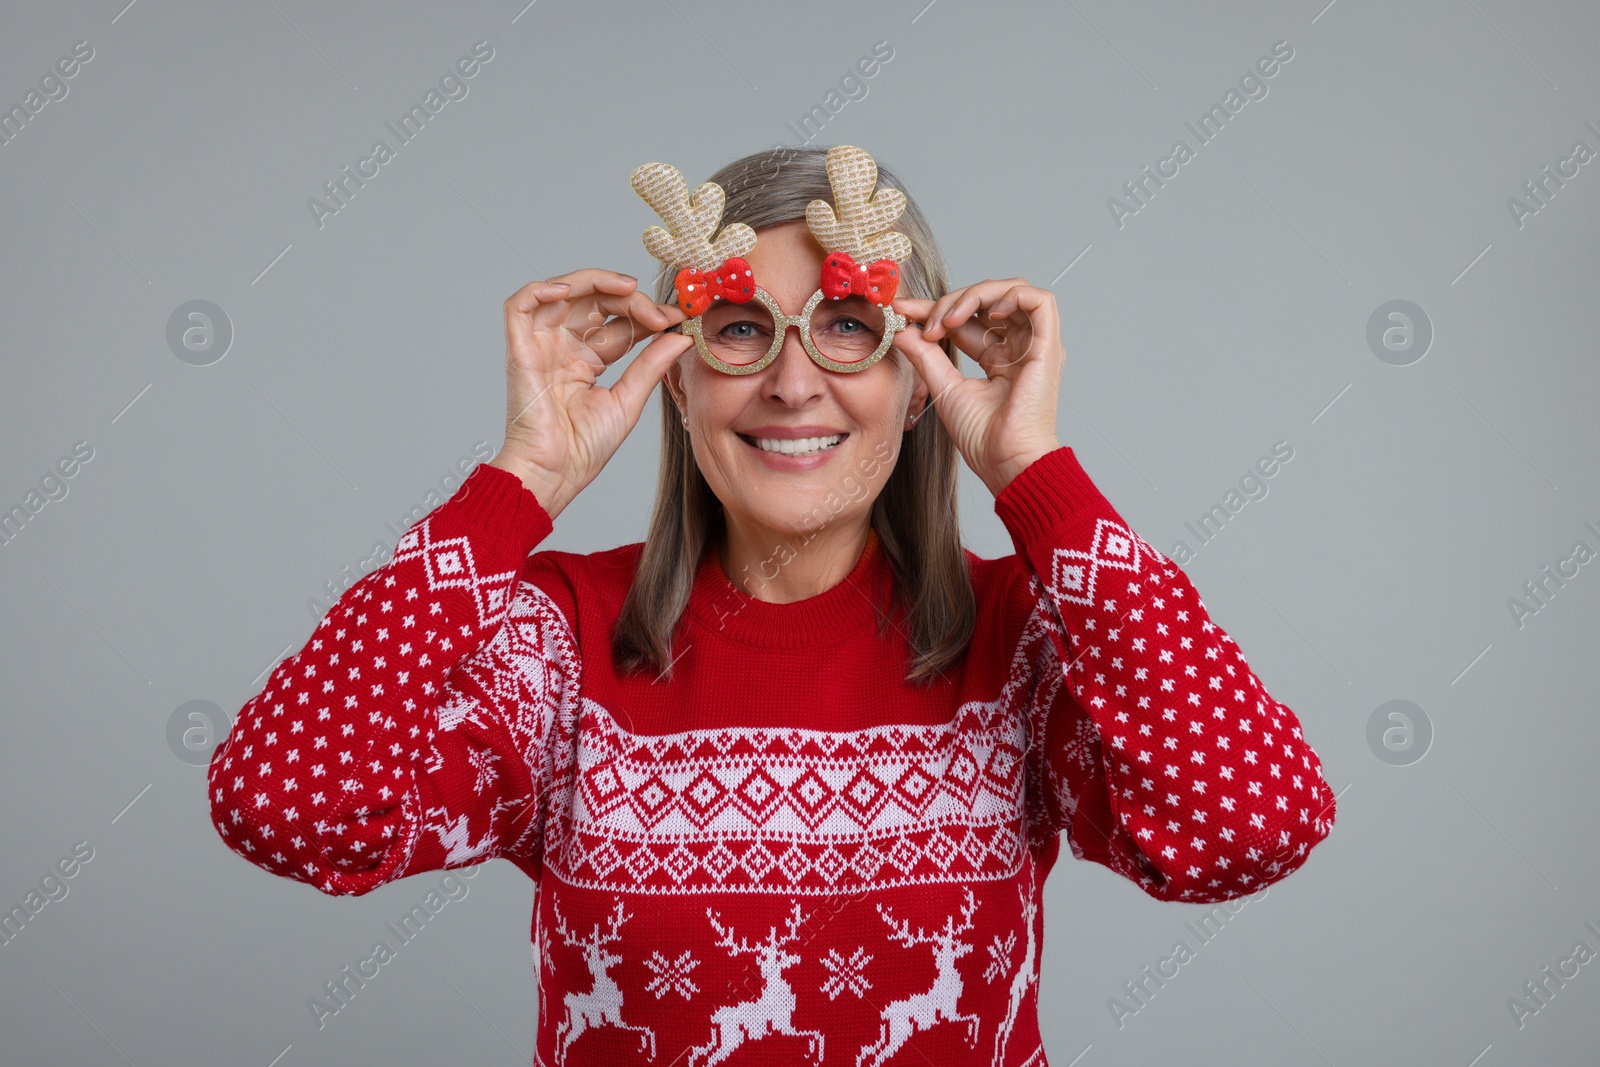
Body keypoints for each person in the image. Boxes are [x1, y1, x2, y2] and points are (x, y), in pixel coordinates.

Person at [208, 144, 1336, 1067]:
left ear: (915, 381)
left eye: (849, 325)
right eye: (741, 328)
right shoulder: (555, 640)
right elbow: (286, 808)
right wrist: (519, 484)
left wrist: (1034, 473)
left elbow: (1246, 829)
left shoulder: (1024, 642)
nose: (793, 382)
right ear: (679, 378)